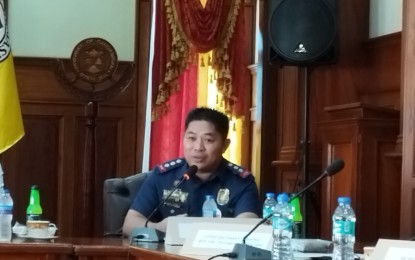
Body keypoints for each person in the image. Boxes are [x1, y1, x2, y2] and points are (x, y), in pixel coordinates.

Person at [122, 107, 260, 236]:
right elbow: (130, 224)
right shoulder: (163, 175)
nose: (198, 147)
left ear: (225, 145)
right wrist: (159, 228)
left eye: (208, 140)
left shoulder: (241, 182)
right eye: (192, 138)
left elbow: (248, 226)